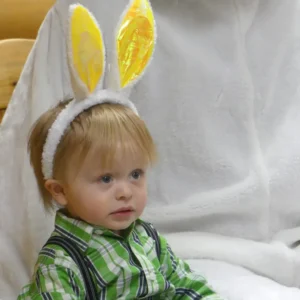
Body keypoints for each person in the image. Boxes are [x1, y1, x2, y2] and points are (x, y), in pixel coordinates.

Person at [17, 2, 223, 299]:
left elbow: (183, 282)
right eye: (105, 179)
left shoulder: (146, 237)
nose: (125, 192)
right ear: (60, 190)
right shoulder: (62, 262)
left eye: (135, 174)